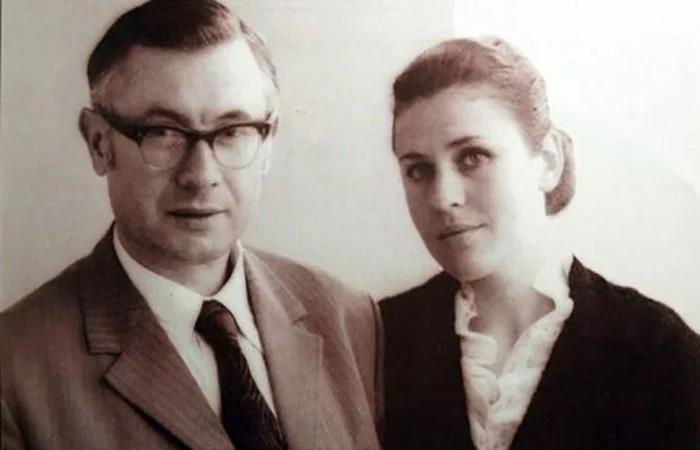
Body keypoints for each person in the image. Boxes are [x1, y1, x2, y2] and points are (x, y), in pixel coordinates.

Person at [0, 1, 381, 449]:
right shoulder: (14, 369)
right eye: (163, 132)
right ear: (99, 143)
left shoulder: (347, 317)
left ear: (268, 142)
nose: (201, 176)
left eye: (233, 130)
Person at [380, 37, 700, 450]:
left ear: (547, 161)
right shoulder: (378, 341)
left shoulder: (657, 350)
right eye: (419, 170)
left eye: (472, 157)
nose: (443, 198)